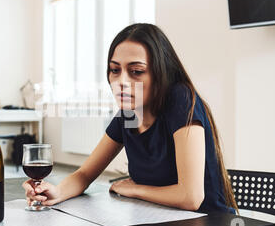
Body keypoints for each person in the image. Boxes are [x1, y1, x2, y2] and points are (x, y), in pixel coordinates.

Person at [23, 23, 238, 214]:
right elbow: (85, 174)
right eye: (115, 70)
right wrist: (56, 192)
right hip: (157, 221)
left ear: (161, 73)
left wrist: (134, 189)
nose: (121, 81)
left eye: (136, 71)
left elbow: (190, 197)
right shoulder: (130, 115)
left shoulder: (180, 99)